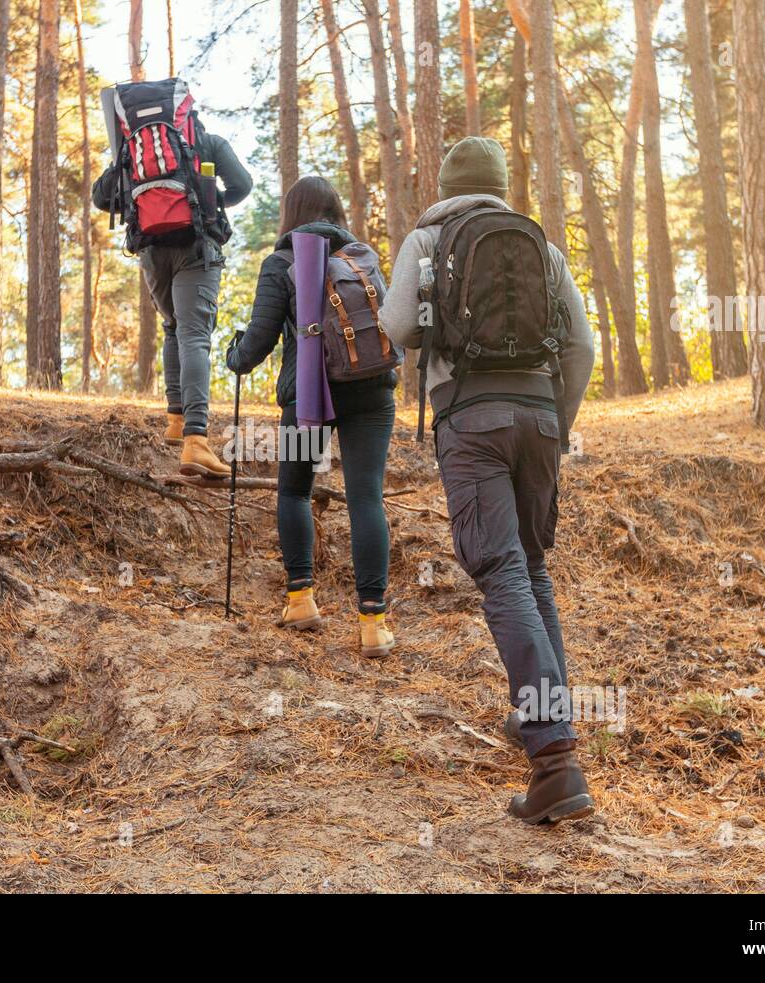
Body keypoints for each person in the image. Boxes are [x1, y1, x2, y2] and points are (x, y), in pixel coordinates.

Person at [380, 137, 596, 824]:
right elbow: (582, 345)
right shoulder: (538, 243)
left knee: (502, 570)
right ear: (502, 183)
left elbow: (396, 327)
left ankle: (555, 760)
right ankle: (546, 715)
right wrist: (554, 421)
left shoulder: (429, 236)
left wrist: (434, 318)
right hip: (540, 419)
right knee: (530, 568)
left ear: (446, 182)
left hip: (471, 419)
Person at [226, 177, 398, 658]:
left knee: (296, 490)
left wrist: (232, 354)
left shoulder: (280, 262)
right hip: (371, 394)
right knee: (366, 497)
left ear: (291, 214)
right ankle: (373, 624)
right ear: (337, 211)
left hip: (309, 400)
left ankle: (301, 600)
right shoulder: (361, 257)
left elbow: (255, 345)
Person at [92, 92, 253, 478]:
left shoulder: (132, 149)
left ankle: (176, 419)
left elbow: (101, 198)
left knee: (173, 326)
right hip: (196, 245)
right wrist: (208, 202)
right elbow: (243, 185)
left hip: (152, 251)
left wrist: (142, 204)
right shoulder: (206, 142)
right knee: (195, 334)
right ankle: (197, 441)